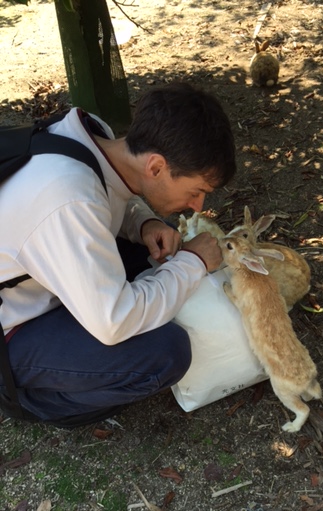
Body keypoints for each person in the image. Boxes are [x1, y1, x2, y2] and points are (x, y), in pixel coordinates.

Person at [0, 82, 236, 427]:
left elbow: (109, 198)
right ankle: (27, 399)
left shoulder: (94, 134)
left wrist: (144, 222)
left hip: (33, 273)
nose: (198, 205)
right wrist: (194, 263)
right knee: (164, 353)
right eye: (197, 191)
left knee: (149, 260)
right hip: (12, 324)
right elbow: (115, 321)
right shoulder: (70, 199)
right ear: (155, 167)